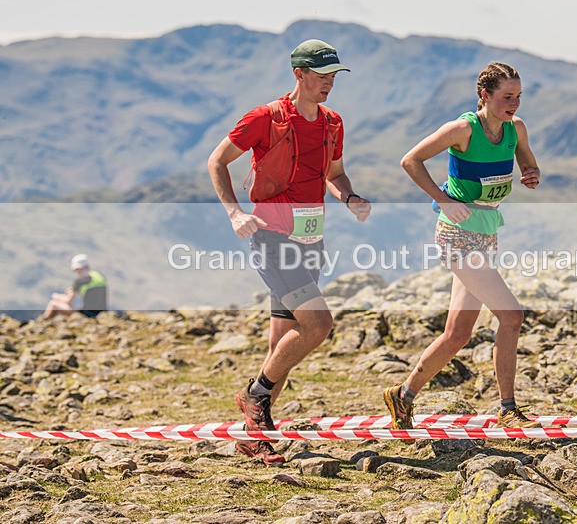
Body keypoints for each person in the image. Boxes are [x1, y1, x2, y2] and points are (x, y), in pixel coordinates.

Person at [207, 39, 371, 465]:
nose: (330, 83)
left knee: (281, 343)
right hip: (272, 239)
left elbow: (335, 174)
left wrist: (350, 197)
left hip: (311, 240)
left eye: (334, 76)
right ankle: (254, 395)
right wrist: (234, 214)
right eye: (322, 76)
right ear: (299, 74)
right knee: (317, 325)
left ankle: (253, 437)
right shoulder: (266, 117)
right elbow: (217, 161)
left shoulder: (333, 122)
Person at [383, 62, 542, 430]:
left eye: (518, 96)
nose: (514, 104)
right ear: (484, 96)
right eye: (507, 97)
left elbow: (528, 164)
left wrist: (531, 174)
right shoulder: (462, 129)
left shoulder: (515, 129)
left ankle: (402, 395)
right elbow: (411, 160)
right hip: (456, 236)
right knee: (511, 316)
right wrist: (443, 198)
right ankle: (507, 408)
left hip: (486, 231)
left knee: (457, 334)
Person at [43, 254, 108, 319]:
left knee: (53, 304)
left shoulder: (79, 281)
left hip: (87, 315)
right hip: (101, 313)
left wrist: (58, 296)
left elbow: (69, 301)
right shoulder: (98, 276)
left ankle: (44, 322)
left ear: (78, 268)